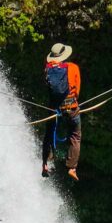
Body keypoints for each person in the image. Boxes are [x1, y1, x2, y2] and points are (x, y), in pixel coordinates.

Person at [42, 42, 81, 181]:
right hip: (71, 108)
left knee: (49, 134)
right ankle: (72, 167)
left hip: (54, 108)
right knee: (75, 136)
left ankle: (45, 164)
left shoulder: (47, 69)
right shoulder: (73, 68)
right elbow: (76, 90)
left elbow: (49, 88)